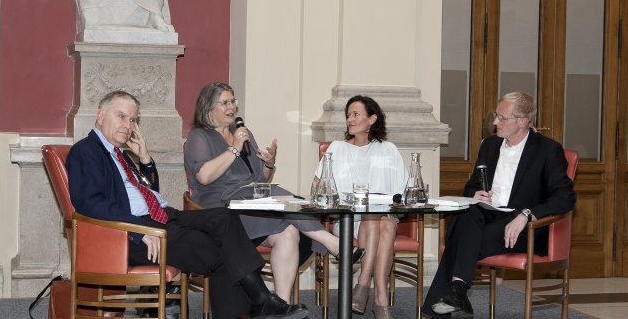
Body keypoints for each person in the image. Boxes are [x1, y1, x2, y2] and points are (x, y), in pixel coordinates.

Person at [66, 90, 309, 319]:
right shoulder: (86, 151)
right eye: (121, 116)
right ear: (100, 116)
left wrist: (145, 160)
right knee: (220, 250)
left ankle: (261, 302)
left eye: (132, 119)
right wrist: (136, 230)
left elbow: (149, 193)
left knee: (225, 219)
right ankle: (261, 302)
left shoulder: (119, 154)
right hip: (131, 234)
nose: (128, 125)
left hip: (163, 217)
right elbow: (89, 203)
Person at [183, 82, 362, 303]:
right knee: (278, 195)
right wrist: (234, 148)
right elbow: (204, 176)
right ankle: (331, 241)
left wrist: (268, 164)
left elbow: (259, 180)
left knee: (288, 232)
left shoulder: (242, 133)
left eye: (233, 101)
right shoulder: (199, 136)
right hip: (220, 208)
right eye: (225, 103)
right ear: (209, 108)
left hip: (250, 202)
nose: (232, 107)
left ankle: (282, 306)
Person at [421, 91, 576, 319]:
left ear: (522, 121)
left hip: (523, 227)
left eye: (501, 118)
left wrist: (526, 214)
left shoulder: (547, 149)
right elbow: (470, 186)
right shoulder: (490, 146)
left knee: (459, 236)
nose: (494, 122)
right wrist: (476, 194)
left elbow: (565, 197)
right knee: (465, 215)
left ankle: (448, 301)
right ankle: (457, 293)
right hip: (489, 216)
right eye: (496, 116)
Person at [313, 95, 409, 319]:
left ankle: (369, 289)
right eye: (348, 115)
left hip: (381, 219)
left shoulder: (388, 150)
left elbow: (403, 192)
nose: (350, 120)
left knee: (380, 220)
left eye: (356, 114)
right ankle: (377, 297)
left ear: (372, 119)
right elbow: (316, 189)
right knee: (376, 220)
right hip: (347, 222)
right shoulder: (336, 148)